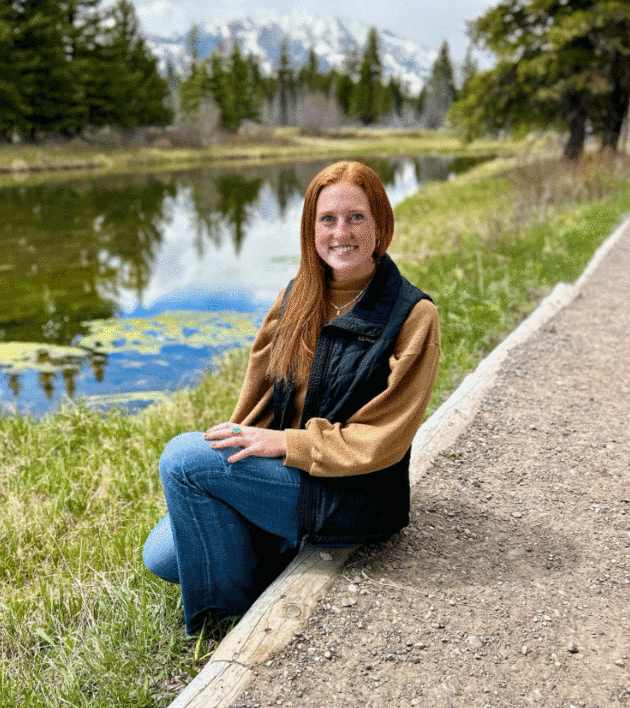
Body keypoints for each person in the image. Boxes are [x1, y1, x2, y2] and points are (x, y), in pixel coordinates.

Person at [142, 160, 440, 634]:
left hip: (354, 491)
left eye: (356, 217)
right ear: (311, 228)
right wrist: (231, 459)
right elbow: (257, 400)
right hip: (290, 477)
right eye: (328, 219)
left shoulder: (412, 314)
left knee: (180, 460)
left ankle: (222, 619)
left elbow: (386, 437)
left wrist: (288, 445)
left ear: (380, 224)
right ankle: (278, 549)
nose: (341, 232)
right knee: (160, 554)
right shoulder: (298, 295)